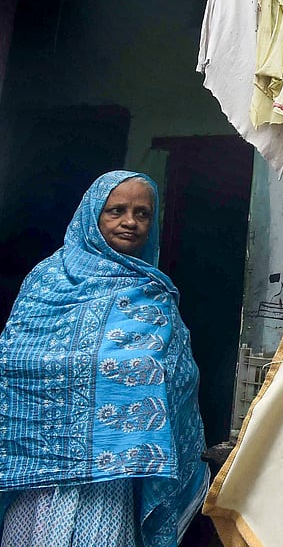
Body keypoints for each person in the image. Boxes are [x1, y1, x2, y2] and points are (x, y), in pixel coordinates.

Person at [0, 171, 207, 546]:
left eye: (142, 213)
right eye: (117, 210)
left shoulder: (153, 293)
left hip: (111, 482)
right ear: (92, 215)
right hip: (36, 475)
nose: (130, 221)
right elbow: (13, 362)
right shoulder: (46, 279)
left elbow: (177, 379)